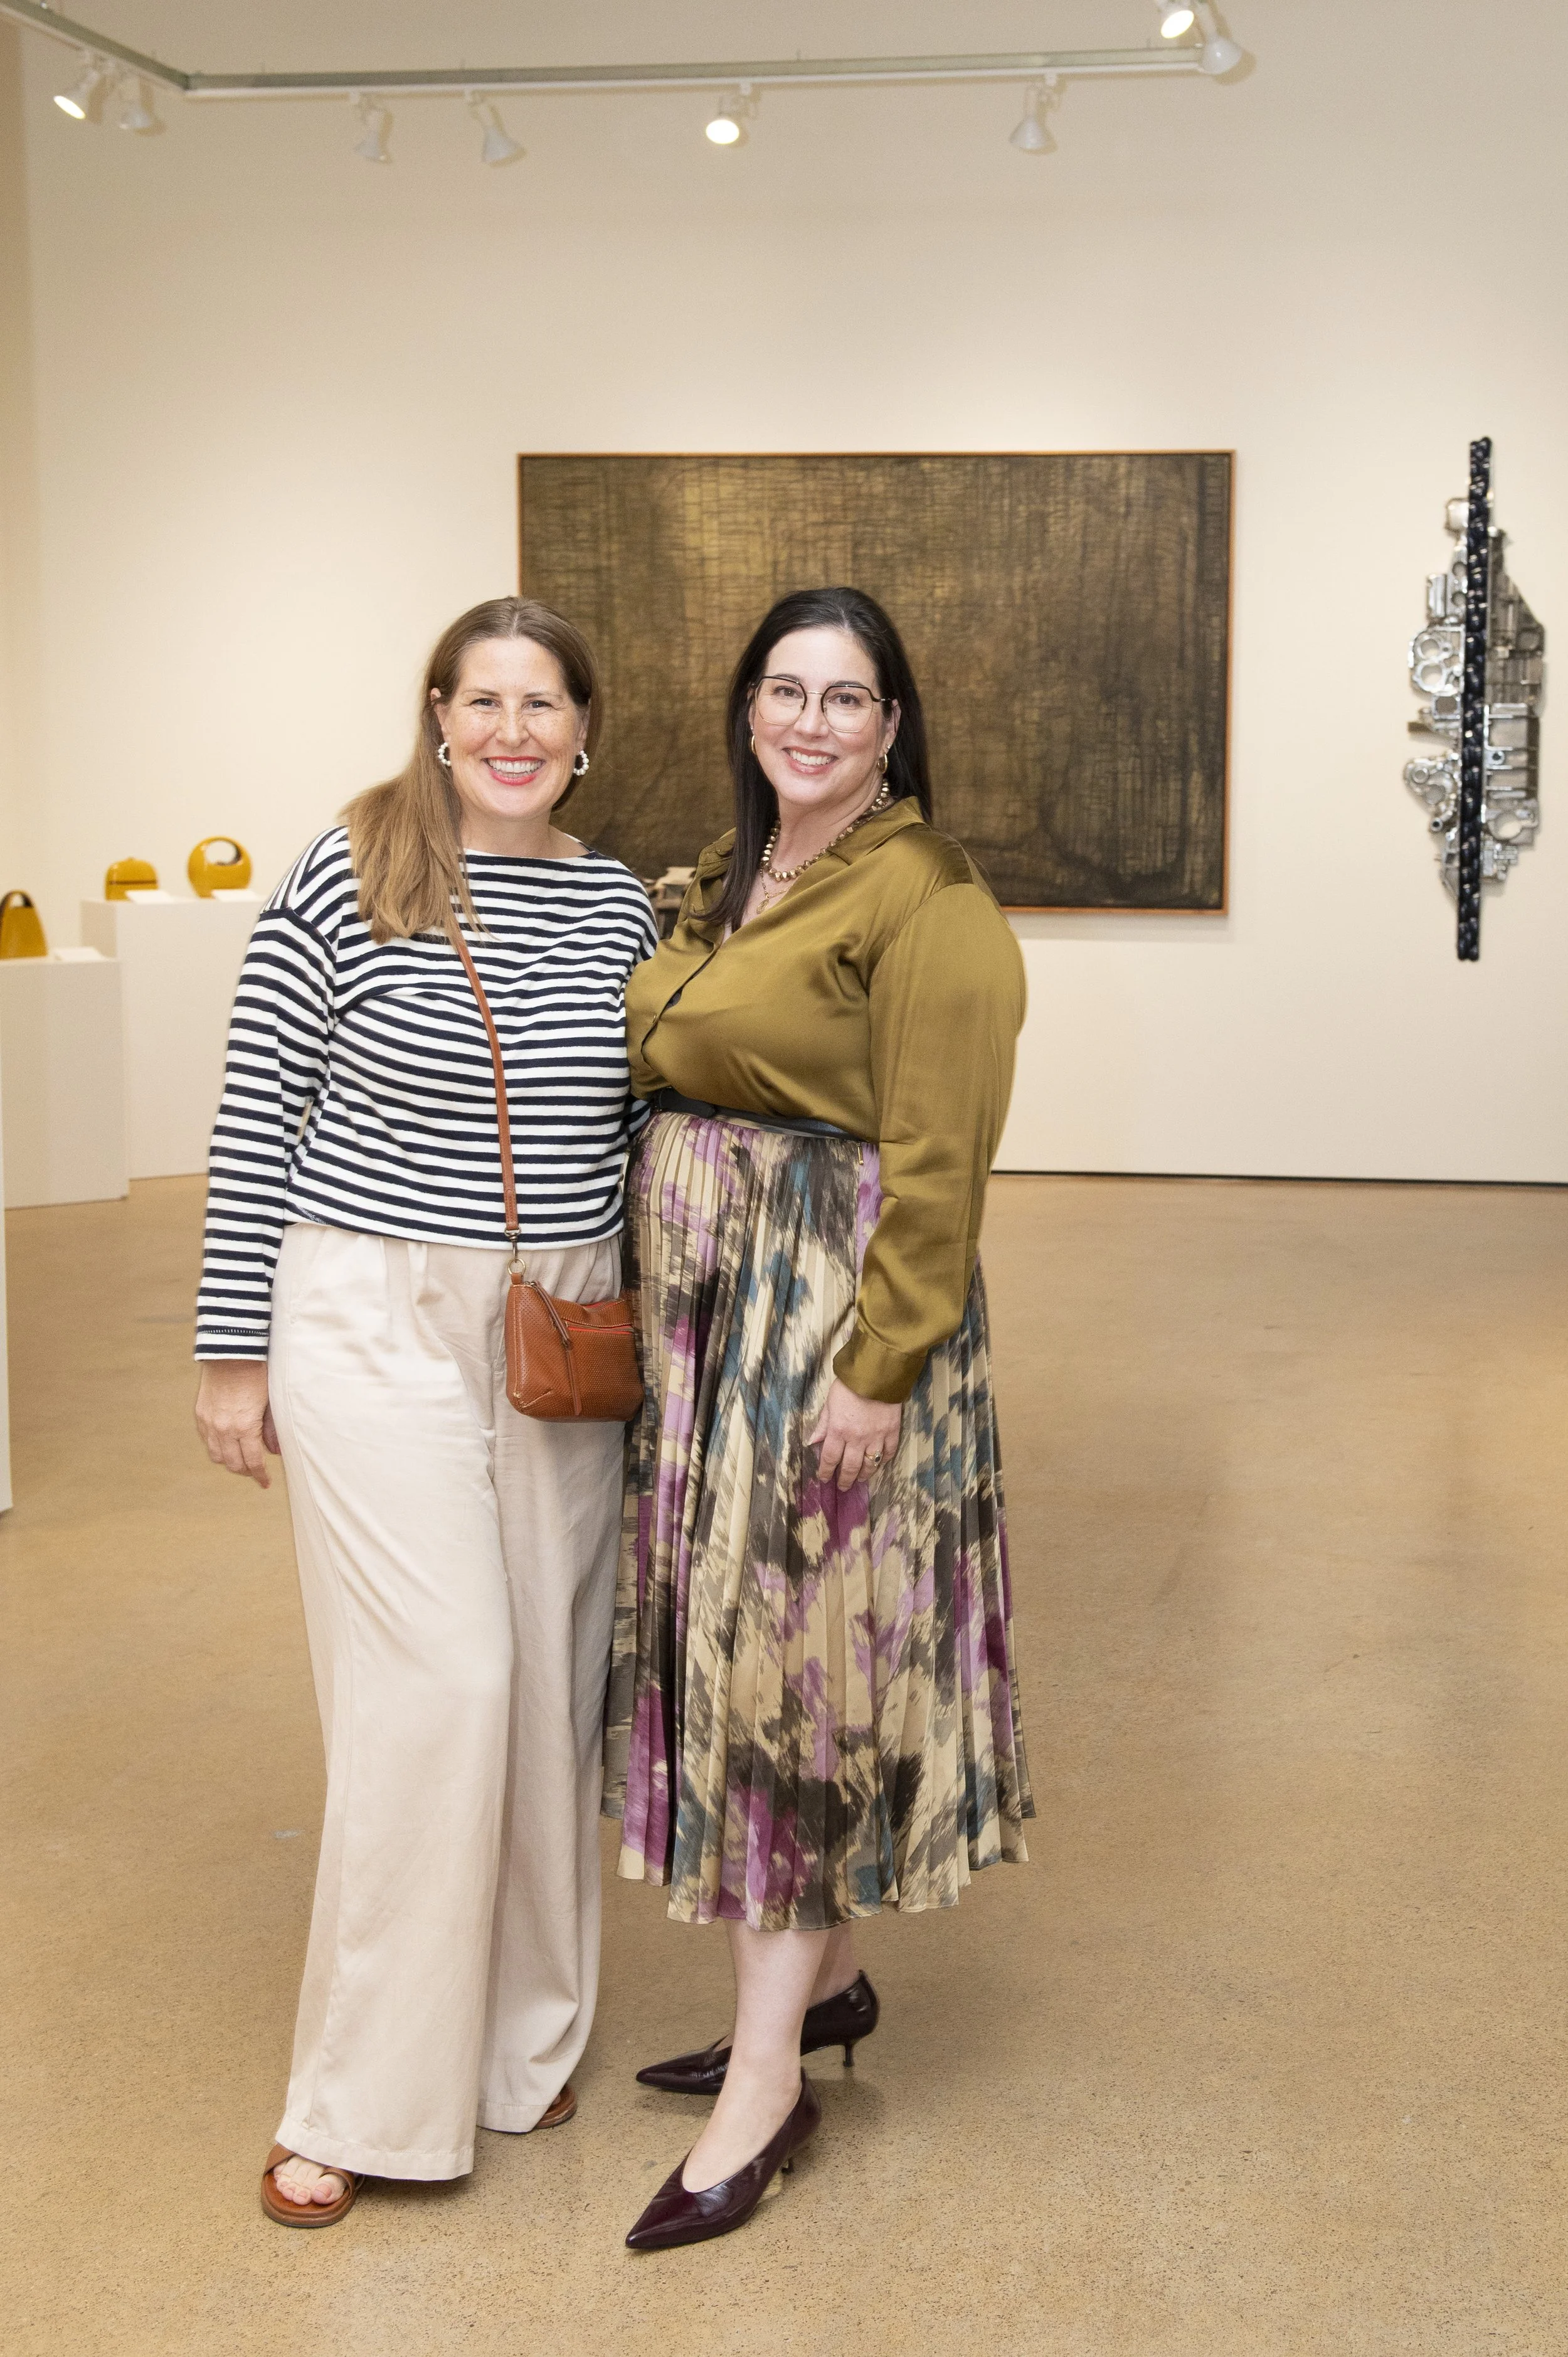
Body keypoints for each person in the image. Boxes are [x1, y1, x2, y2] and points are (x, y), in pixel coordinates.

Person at [193, 595, 657, 2226]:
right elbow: (256, 1109)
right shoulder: (352, 869)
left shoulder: (616, 904)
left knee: (545, 1691)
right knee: (441, 1684)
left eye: (542, 705)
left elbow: (635, 1130)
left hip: (559, 1325)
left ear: (582, 731)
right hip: (370, 1309)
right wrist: (230, 1351)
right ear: (438, 718)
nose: (512, 731)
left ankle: (518, 2045)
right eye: (483, 702)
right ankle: (361, 2099)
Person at [607, 585, 1034, 2253]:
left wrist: (877, 1364)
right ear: (748, 708)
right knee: (754, 1656)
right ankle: (827, 1981)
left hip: (823, 1330)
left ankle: (767, 2086)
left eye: (846, 696)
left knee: (784, 1679)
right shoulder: (736, 874)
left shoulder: (928, 896)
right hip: (715, 1330)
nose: (809, 720)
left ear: (892, 725)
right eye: (784, 689)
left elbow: (942, 1160)